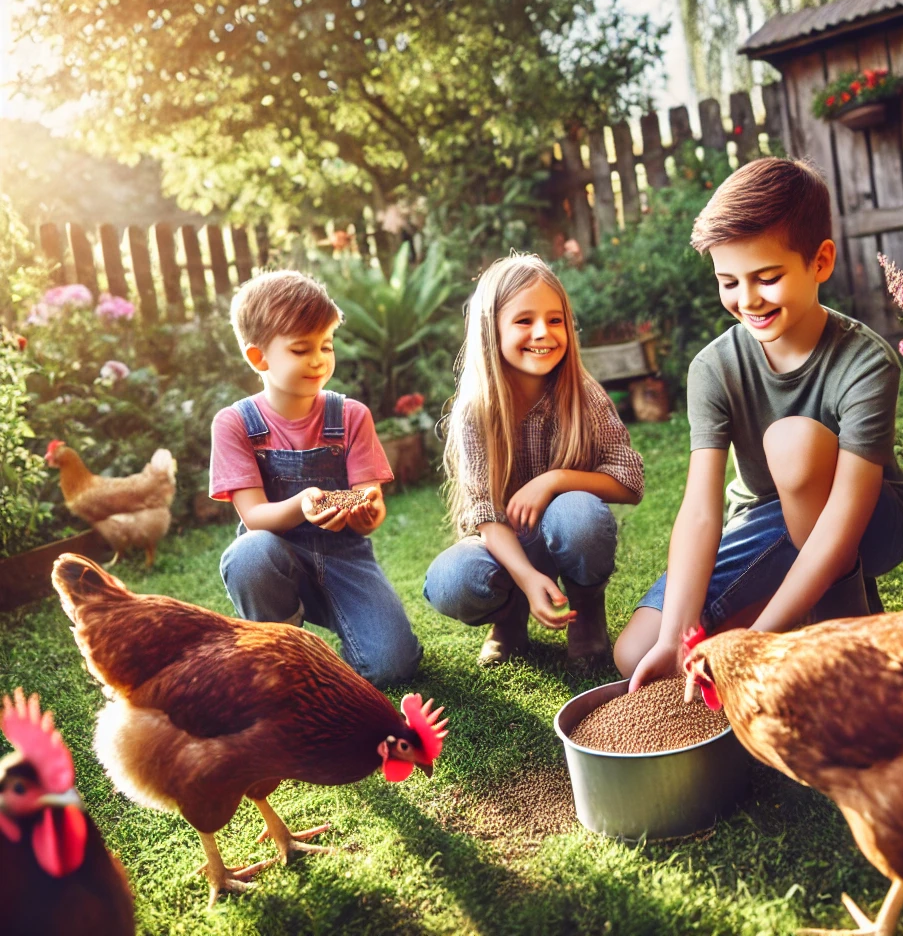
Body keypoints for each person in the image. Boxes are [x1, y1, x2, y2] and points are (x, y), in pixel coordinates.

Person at [615, 158, 903, 689]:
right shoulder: (714, 367)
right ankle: (797, 618)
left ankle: (845, 632)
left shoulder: (866, 363)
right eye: (728, 281)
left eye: (767, 277)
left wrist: (754, 639)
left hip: (869, 521)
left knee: (793, 440)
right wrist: (675, 637)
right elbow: (700, 512)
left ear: (820, 261)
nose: (747, 299)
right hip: (767, 517)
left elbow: (846, 513)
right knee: (635, 651)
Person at [424, 253, 645, 666]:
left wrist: (556, 480)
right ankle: (508, 620)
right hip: (505, 545)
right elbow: (485, 512)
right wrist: (526, 580)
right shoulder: (475, 411)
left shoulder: (585, 396)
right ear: (492, 329)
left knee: (578, 511)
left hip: (567, 532)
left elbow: (630, 481)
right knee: (451, 581)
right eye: (524, 321)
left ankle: (586, 612)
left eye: (555, 319)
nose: (542, 332)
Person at [209, 269, 422, 687]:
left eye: (326, 345)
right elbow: (254, 517)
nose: (319, 359)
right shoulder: (234, 423)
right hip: (275, 556)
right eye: (301, 348)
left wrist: (366, 513)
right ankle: (282, 649)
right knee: (248, 553)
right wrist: (306, 501)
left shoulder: (351, 416)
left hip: (346, 557)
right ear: (259, 358)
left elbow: (370, 502)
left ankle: (348, 637)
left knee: (393, 666)